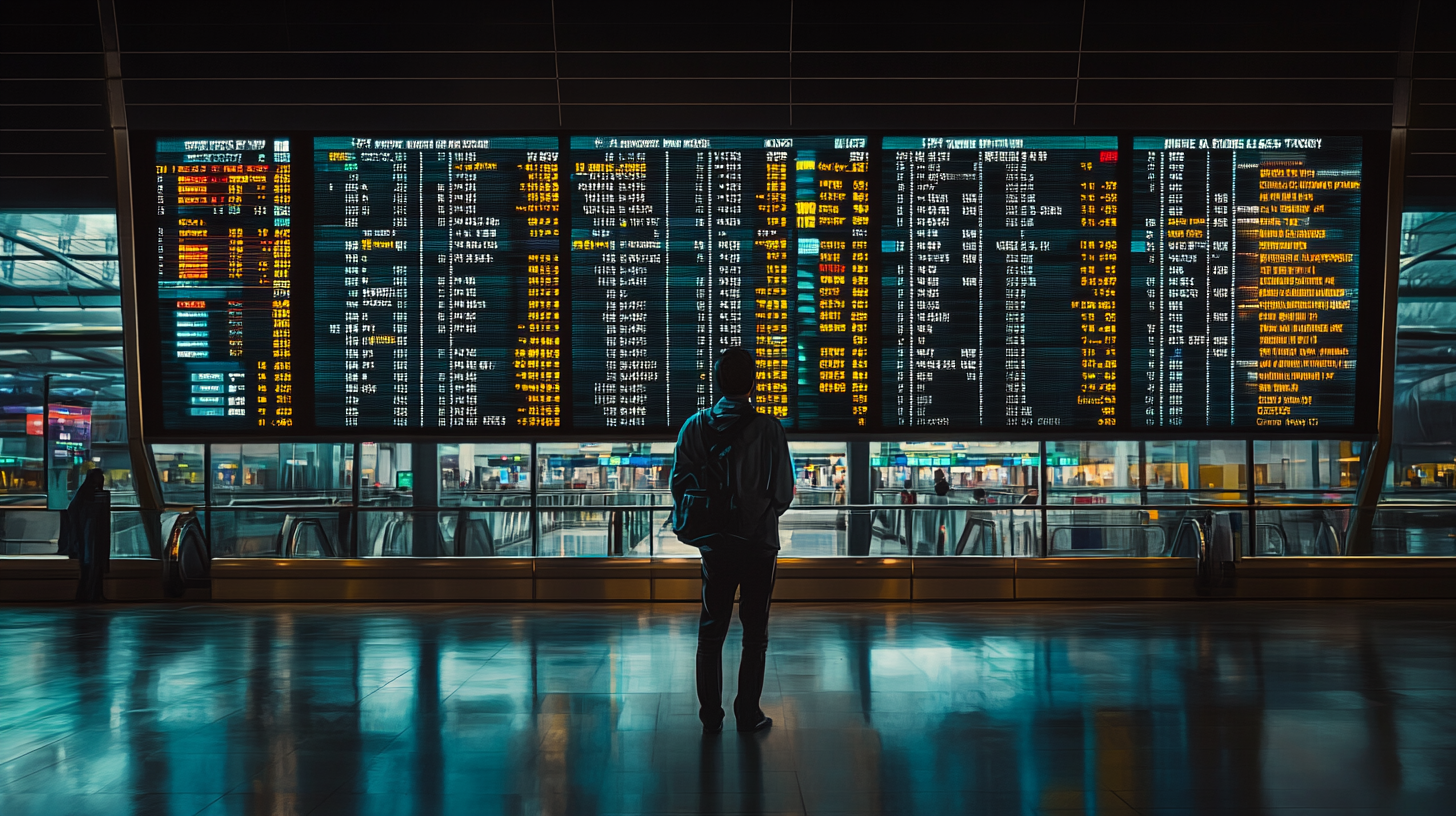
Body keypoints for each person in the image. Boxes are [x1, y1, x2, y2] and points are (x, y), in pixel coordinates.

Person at [670, 347, 793, 734]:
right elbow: (784, 492)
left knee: (711, 630)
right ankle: (748, 712)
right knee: (754, 632)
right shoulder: (770, 429)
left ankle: (710, 716)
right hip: (759, 545)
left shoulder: (693, 426)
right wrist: (756, 515)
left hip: (715, 544)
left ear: (717, 382)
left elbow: (679, 485)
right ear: (754, 382)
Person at [60, 469, 106, 601]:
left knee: (87, 566)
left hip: (84, 537)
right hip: (87, 536)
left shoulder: (83, 492)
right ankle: (89, 593)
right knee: (89, 565)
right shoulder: (89, 495)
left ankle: (85, 593)